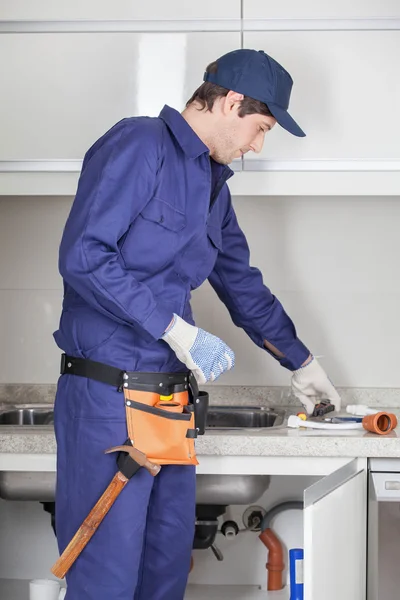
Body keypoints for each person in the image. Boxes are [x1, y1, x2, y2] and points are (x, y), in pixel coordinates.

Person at [53, 48, 340, 600]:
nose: (257, 146)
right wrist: (174, 329)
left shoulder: (214, 187)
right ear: (231, 103)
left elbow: (241, 285)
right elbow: (84, 256)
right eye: (260, 128)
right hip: (107, 403)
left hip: (169, 410)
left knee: (164, 578)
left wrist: (302, 361)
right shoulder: (139, 145)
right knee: (105, 582)